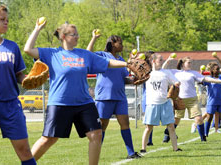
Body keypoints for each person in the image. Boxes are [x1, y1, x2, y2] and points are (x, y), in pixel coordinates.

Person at [24, 22, 129, 165]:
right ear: (63, 36)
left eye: (77, 34)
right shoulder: (52, 53)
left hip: (84, 103)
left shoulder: (84, 54)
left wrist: (126, 64)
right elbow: (28, 49)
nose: (77, 37)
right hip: (60, 102)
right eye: (74, 34)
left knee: (96, 135)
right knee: (49, 139)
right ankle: (27, 163)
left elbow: (107, 62)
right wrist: (37, 29)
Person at [0, 4, 36, 165]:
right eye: (2, 19)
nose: (6, 22)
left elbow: (19, 75)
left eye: (7, 20)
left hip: (10, 105)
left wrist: (29, 80)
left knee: (24, 150)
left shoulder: (12, 47)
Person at [86, 29, 141, 159]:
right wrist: (94, 38)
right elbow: (87, 54)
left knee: (125, 124)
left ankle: (131, 153)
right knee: (102, 127)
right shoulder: (103, 55)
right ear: (112, 43)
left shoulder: (121, 60)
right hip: (104, 97)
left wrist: (134, 80)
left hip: (120, 97)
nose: (122, 45)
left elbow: (124, 79)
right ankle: (96, 153)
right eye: (119, 43)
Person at [162, 56, 221, 142]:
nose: (190, 64)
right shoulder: (176, 72)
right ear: (183, 64)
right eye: (188, 62)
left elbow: (206, 78)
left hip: (192, 99)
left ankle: (203, 138)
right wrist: (168, 60)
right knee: (176, 120)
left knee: (199, 119)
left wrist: (220, 81)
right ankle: (167, 134)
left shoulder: (193, 73)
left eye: (190, 62)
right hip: (180, 99)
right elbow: (163, 69)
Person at [140, 54, 182, 153]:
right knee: (149, 127)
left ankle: (176, 148)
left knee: (171, 127)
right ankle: (143, 148)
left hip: (165, 102)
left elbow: (176, 81)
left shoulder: (166, 72)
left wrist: (176, 84)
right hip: (152, 103)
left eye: (162, 60)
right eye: (160, 60)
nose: (162, 61)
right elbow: (135, 76)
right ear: (153, 61)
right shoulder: (147, 73)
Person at [201, 56, 221, 137]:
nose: (219, 70)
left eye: (219, 69)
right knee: (209, 117)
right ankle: (206, 133)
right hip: (212, 101)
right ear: (212, 70)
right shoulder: (209, 79)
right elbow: (202, 82)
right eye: (217, 69)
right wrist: (202, 72)